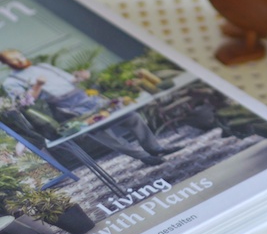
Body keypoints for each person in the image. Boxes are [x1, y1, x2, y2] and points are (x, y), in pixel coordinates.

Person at [0, 51, 180, 167]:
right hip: (64, 107)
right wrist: (38, 86)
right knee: (101, 133)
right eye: (14, 59)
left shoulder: (43, 66)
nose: (20, 59)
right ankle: (143, 156)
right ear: (6, 63)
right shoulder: (12, 82)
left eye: (20, 55)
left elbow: (70, 80)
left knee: (131, 117)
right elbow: (23, 103)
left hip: (84, 97)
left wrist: (79, 77)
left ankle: (155, 148)